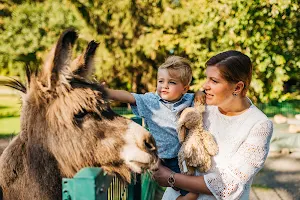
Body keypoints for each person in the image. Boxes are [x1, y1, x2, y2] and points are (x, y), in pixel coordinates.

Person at [153, 50, 274, 200]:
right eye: (207, 78)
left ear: (237, 88)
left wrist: (171, 178)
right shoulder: (200, 107)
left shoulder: (259, 125)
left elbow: (229, 184)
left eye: (214, 81)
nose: (205, 86)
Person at [104, 56, 201, 196]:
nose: (164, 86)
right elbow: (128, 96)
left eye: (172, 82)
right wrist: (106, 92)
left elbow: (203, 98)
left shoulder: (189, 99)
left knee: (191, 192)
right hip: (161, 158)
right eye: (161, 81)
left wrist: (199, 93)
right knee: (189, 192)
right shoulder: (151, 101)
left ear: (184, 88)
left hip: (182, 159)